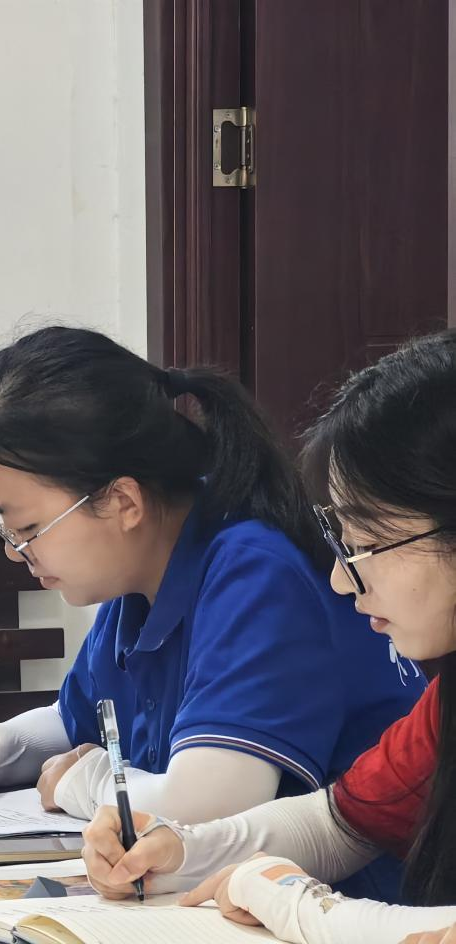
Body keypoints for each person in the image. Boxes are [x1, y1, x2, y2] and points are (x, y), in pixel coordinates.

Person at [0, 326, 422, 897]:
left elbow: (204, 809)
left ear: (123, 501)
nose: (14, 550)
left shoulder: (254, 573)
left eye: (27, 527)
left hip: (356, 903)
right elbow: (79, 721)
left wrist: (84, 782)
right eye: (2, 525)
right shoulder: (139, 577)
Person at [81, 330, 456, 943]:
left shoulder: (251, 564)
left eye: (366, 543)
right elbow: (337, 823)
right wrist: (183, 847)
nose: (341, 579)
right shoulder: (444, 705)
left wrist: (298, 905)